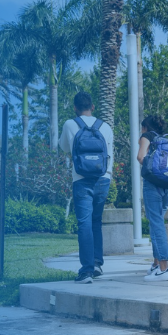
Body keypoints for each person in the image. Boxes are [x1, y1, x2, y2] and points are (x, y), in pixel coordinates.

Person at [59, 92, 113, 284]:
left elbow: (65, 148)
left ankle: (86, 271)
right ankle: (97, 264)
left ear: (75, 107)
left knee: (84, 223)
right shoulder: (105, 127)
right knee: (96, 222)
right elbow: (109, 155)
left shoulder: (69, 124)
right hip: (102, 179)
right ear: (93, 107)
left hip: (81, 179)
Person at [138, 115, 168, 282]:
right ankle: (156, 264)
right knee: (156, 225)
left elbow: (140, 157)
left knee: (157, 225)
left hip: (153, 185)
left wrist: (150, 164)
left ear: (145, 127)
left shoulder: (147, 137)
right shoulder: (166, 140)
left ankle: (164, 270)